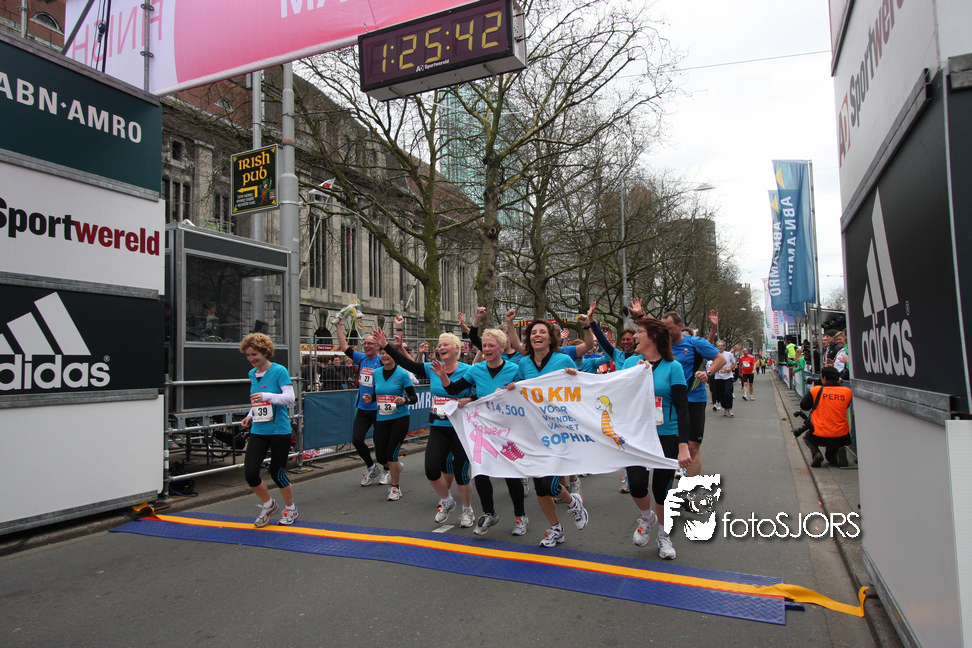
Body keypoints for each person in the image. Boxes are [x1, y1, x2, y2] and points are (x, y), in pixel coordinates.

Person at [376, 328, 477, 527]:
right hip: (438, 425)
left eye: (445, 344)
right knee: (431, 468)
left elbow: (479, 393)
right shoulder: (433, 367)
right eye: (439, 345)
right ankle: (447, 501)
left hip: (460, 427)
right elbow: (407, 364)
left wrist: (468, 399)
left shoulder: (468, 371)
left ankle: (467, 510)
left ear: (457, 349)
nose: (441, 348)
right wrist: (386, 344)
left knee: (461, 471)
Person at [434, 328, 530, 536]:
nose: (486, 349)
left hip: (507, 430)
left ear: (501, 348)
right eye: (484, 345)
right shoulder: (476, 369)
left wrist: (512, 392)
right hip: (483, 429)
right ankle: (489, 513)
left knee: (510, 474)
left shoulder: (514, 369)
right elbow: (453, 390)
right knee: (481, 472)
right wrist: (443, 377)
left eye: (491, 346)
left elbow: (527, 394)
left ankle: (520, 516)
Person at [505, 319, 589, 547]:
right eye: (533, 332)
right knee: (540, 488)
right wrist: (512, 388)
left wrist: (574, 375)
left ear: (550, 338)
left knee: (549, 486)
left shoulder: (563, 360)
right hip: (534, 432)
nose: (537, 335)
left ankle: (572, 501)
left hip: (559, 430)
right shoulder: (524, 363)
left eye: (542, 332)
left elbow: (580, 389)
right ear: (529, 338)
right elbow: (518, 389)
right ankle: (556, 529)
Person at [621, 317, 692, 559]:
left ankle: (664, 534)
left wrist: (683, 445)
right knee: (636, 485)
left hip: (666, 435)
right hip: (637, 436)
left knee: (662, 490)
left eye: (639, 332)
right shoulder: (630, 363)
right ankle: (647, 518)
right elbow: (612, 392)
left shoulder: (673, 367)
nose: (634, 336)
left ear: (652, 337)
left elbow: (682, 407)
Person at [239, 333, 298, 527]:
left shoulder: (279, 371)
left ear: (265, 352)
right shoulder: (252, 374)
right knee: (250, 473)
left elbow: (290, 398)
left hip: (279, 430)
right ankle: (268, 504)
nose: (251, 359)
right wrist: (249, 415)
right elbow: (257, 401)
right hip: (259, 430)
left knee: (277, 473)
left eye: (254, 354)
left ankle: (290, 508)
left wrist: (267, 395)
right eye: (248, 355)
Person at [657, 311, 725, 477]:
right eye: (663, 329)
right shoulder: (661, 345)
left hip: (694, 399)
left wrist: (707, 373)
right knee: (669, 445)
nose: (666, 332)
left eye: (669, 328)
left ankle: (690, 487)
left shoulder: (695, 343)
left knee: (692, 447)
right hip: (670, 402)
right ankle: (667, 484)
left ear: (679, 326)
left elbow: (720, 359)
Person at [361, 342, 417, 500]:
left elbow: (413, 397)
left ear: (395, 356)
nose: (385, 356)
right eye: (383, 353)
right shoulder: (376, 373)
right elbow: (378, 393)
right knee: (381, 457)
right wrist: (370, 397)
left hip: (399, 418)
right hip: (382, 418)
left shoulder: (402, 374)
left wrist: (404, 400)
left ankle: (395, 488)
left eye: (388, 353)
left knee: (392, 453)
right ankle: (396, 466)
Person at [335, 316, 384, 486]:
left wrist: (374, 396)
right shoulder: (361, 359)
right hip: (363, 408)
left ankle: (387, 468)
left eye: (370, 343)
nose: (366, 346)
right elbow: (344, 347)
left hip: (378, 409)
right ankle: (372, 468)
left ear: (377, 346)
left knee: (380, 443)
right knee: (356, 439)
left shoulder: (383, 361)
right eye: (365, 343)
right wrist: (339, 326)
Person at [799, 367, 853, 467]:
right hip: (842, 435)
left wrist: (812, 390)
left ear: (823, 378)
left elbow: (804, 406)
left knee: (807, 437)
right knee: (831, 457)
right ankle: (839, 452)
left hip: (820, 434)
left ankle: (817, 454)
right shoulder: (847, 392)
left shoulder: (817, 390)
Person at [710, 341, 736, 417]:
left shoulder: (729, 354)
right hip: (718, 377)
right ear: (716, 347)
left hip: (728, 377)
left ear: (724, 347)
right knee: (721, 394)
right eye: (718, 346)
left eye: (722, 346)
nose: (720, 347)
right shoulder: (714, 355)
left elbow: (734, 363)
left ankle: (730, 408)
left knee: (728, 392)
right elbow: (710, 364)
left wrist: (730, 368)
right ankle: (725, 408)